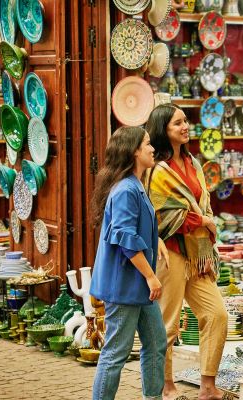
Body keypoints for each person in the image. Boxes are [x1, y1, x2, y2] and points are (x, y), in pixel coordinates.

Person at [146, 104, 229, 400]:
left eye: (185, 121)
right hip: (170, 253)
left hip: (198, 254)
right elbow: (163, 214)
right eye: (177, 123)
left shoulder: (193, 162)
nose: (185, 127)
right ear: (163, 131)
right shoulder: (158, 170)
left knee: (216, 314)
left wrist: (205, 224)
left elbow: (200, 201)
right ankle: (166, 387)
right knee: (167, 325)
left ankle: (207, 387)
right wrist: (204, 221)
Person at [89, 126, 168, 400]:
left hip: (137, 287)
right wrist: (151, 276)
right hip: (125, 286)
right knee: (116, 352)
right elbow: (124, 238)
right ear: (135, 150)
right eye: (147, 144)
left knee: (157, 342)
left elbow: (135, 228)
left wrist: (157, 242)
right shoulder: (126, 189)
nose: (152, 148)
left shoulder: (135, 185)